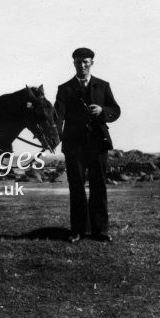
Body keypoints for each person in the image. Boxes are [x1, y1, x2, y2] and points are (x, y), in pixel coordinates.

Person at [54, 47, 121, 243]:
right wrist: (54, 137)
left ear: (92, 63)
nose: (81, 65)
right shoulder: (64, 88)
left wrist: (102, 110)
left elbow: (115, 110)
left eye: (85, 61)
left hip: (98, 143)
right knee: (76, 187)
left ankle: (100, 230)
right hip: (74, 146)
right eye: (78, 61)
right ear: (73, 63)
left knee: (99, 186)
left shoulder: (103, 85)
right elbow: (58, 117)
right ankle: (78, 230)